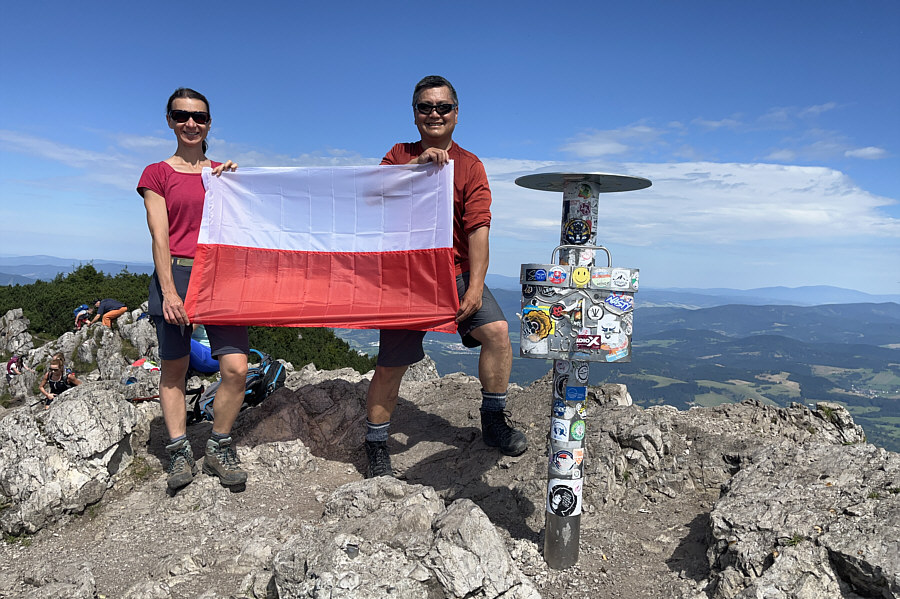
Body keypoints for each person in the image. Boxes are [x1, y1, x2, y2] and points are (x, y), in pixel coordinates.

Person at [364, 75, 527, 478]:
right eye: (425, 107)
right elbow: (371, 194)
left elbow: (479, 229)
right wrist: (416, 167)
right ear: (414, 114)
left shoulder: (470, 165)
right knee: (390, 365)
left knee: (498, 333)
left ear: (457, 114)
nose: (434, 114)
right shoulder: (398, 154)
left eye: (443, 107)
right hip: (406, 279)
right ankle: (376, 443)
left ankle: (492, 421)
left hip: (453, 272)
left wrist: (474, 287)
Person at [137, 87, 249, 492]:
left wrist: (240, 183)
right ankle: (180, 450)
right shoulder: (157, 173)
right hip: (178, 275)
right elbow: (159, 236)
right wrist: (168, 291)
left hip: (223, 277)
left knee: (237, 368)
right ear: (169, 120)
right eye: (182, 115)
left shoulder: (223, 174)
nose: (190, 123)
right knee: (175, 369)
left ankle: (219, 445)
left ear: (209, 123)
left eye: (199, 117)